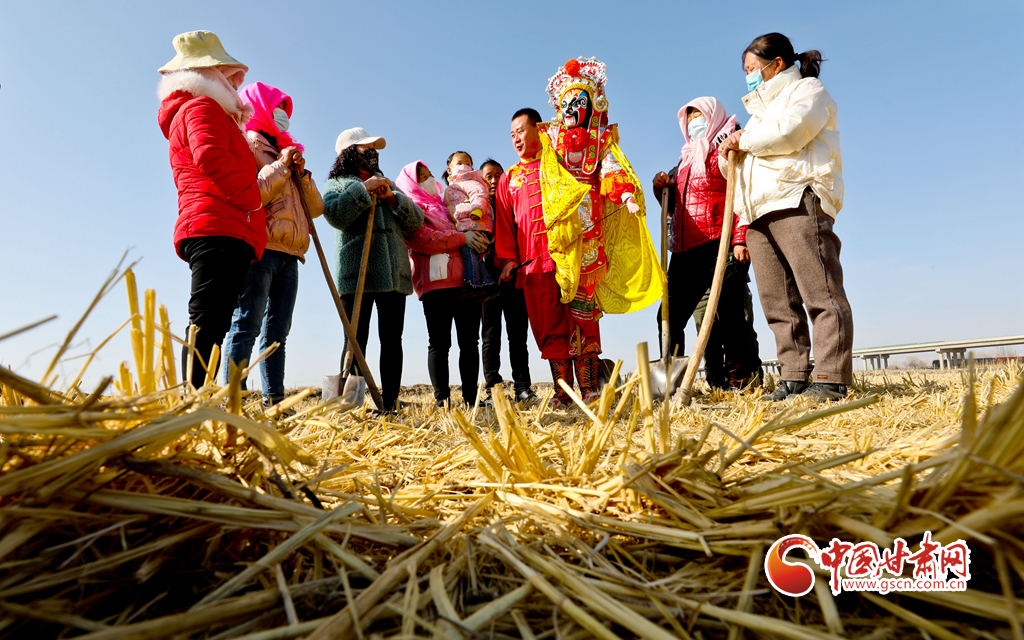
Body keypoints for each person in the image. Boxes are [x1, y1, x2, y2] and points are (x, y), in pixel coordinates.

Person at [495, 57, 663, 406]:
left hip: (583, 247)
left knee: (583, 319)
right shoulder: (520, 170)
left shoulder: (578, 149)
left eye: (520, 131)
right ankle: (563, 391)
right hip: (537, 260)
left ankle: (588, 388)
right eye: (567, 104)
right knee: (550, 326)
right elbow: (505, 223)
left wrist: (625, 194)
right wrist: (508, 260)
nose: (573, 109)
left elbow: (610, 167)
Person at [719, 32, 853, 401]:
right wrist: (727, 153)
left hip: (797, 198)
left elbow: (790, 133)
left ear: (777, 64)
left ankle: (830, 376)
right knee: (777, 302)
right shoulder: (755, 115)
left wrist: (742, 141)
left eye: (753, 68)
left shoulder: (808, 91)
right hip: (759, 211)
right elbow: (737, 170)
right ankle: (793, 375)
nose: (748, 76)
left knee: (819, 290)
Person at [156, 30, 268, 390]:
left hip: (221, 222)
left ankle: (197, 402)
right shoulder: (201, 107)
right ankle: (192, 404)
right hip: (216, 223)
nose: (235, 83)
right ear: (209, 74)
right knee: (207, 320)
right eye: (227, 74)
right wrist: (253, 198)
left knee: (214, 320)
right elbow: (210, 156)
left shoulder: (204, 109)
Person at [221, 82, 324, 407]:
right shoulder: (248, 144)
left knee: (277, 334)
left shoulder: (289, 152)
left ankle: (274, 402)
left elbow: (316, 209)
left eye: (286, 110)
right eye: (277, 107)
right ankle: (232, 400)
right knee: (246, 324)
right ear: (260, 106)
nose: (283, 116)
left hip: (291, 255)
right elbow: (254, 192)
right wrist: (280, 165)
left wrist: (302, 174)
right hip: (260, 249)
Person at [651, 96, 754, 390]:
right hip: (686, 250)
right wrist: (663, 192)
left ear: (713, 118)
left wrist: (739, 238)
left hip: (719, 244)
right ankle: (671, 383)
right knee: (668, 316)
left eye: (700, 116)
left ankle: (738, 383)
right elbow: (678, 209)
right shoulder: (683, 161)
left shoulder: (726, 151)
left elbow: (742, 193)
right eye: (690, 117)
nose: (694, 122)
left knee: (729, 316)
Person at [322, 128, 424, 412]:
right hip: (357, 275)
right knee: (355, 341)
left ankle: (389, 402)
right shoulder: (338, 184)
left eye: (374, 148)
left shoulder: (389, 183)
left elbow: (417, 221)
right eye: (366, 148)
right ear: (349, 153)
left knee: (392, 339)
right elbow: (336, 215)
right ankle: (350, 405)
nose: (373, 153)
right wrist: (363, 190)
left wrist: (392, 198)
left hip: (393, 273)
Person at [397, 160, 489, 407]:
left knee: (469, 342)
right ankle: (442, 399)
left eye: (429, 175)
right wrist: (462, 238)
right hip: (435, 285)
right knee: (439, 343)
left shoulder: (447, 203)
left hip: (465, 281)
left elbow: (469, 224)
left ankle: (471, 398)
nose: (429, 180)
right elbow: (423, 240)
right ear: (410, 183)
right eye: (422, 177)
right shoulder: (413, 210)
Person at [479, 159, 536, 404]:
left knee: (518, 336)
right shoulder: (475, 206)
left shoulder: (513, 201)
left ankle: (523, 388)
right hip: (486, 279)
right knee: (491, 336)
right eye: (488, 177)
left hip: (513, 278)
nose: (493, 181)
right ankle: (493, 391)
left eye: (498, 176)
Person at [444, 158, 497, 292]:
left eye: (468, 164)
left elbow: (478, 195)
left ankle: (472, 282)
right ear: (449, 169)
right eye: (460, 163)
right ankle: (487, 281)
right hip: (466, 228)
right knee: (477, 257)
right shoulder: (452, 189)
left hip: (475, 224)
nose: (465, 166)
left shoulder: (470, 182)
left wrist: (477, 210)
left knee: (469, 253)